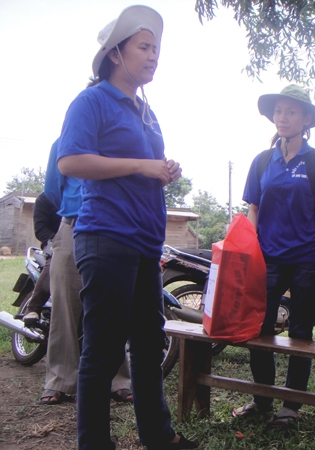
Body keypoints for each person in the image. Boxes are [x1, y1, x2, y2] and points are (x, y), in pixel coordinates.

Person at [56, 5, 197, 449]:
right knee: (102, 350)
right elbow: (71, 160)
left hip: (144, 241)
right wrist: (141, 164)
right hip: (107, 237)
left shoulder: (146, 110)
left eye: (157, 48)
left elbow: (143, 168)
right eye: (144, 47)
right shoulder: (92, 100)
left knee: (148, 343)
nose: (154, 55)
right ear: (116, 53)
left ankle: (159, 437)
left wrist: (162, 168)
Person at [235, 85, 315, 427]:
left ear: (306, 119)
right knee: (258, 327)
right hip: (267, 258)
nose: (283, 117)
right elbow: (253, 208)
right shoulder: (262, 160)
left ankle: (291, 406)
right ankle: (262, 399)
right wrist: (247, 248)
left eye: (291, 112)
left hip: (307, 258)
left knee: (300, 332)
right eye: (278, 111)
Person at [39, 138, 132, 406]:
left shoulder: (118, 139)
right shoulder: (64, 142)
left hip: (113, 226)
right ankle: (59, 381)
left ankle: (119, 380)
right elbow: (53, 189)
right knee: (64, 306)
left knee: (112, 306)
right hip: (72, 223)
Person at [19, 192, 60, 326]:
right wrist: (58, 241)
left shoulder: (78, 195)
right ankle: (33, 308)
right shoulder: (45, 199)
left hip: (80, 243)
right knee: (56, 261)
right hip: (52, 244)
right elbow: (40, 229)